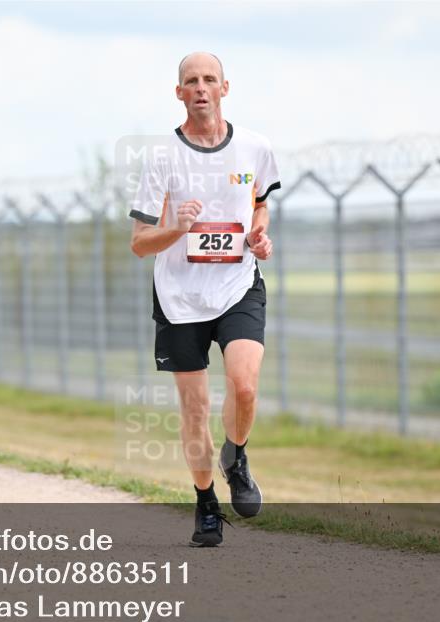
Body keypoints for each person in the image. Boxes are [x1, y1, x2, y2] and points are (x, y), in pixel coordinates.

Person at [129, 53, 280, 547]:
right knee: (195, 409)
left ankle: (235, 455)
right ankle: (206, 505)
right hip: (179, 298)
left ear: (225, 87)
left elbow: (259, 202)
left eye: (208, 79)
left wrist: (259, 234)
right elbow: (139, 242)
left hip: (237, 285)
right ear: (178, 93)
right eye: (190, 81)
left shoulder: (256, 148)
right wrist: (176, 228)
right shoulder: (162, 158)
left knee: (245, 386)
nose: (200, 88)